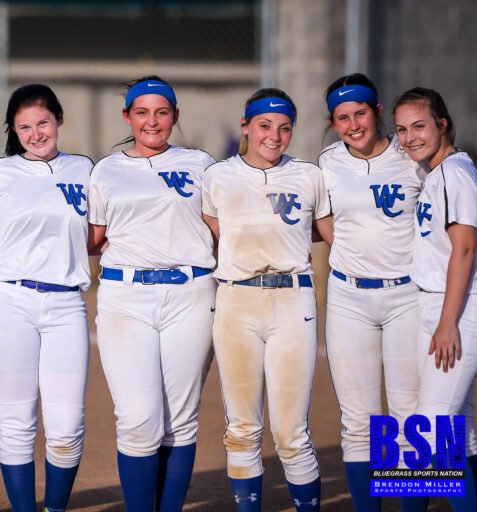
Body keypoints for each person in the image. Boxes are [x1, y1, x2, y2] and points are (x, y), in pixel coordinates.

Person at [88, 76, 217, 511]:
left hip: (192, 295)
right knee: (139, 418)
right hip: (127, 297)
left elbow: (224, 226)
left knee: (180, 422)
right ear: (127, 116)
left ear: (176, 117)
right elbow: (90, 236)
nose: (152, 121)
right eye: (141, 112)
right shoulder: (106, 170)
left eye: (162, 112)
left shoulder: (201, 163)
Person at [201, 88, 333, 512]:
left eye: (285, 127)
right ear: (246, 126)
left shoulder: (311, 174)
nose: (275, 136)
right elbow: (208, 234)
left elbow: (341, 234)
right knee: (242, 427)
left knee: (293, 432)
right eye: (264, 125)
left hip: (296, 301)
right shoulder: (217, 176)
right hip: (238, 301)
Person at [0, 84, 92, 512]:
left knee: (67, 427)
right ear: (14, 131)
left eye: (42, 122)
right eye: (24, 127)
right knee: (18, 422)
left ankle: (55, 507)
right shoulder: (0, 173)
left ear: (59, 119)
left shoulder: (84, 169)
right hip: (9, 302)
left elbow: (97, 235)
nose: (36, 133)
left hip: (66, 306)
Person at [317, 73, 425, 512]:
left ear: (378, 111)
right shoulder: (326, 163)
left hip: (410, 297)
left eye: (360, 113)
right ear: (333, 122)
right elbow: (314, 219)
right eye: (342, 117)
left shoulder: (414, 157)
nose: (353, 124)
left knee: (414, 418)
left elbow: (453, 211)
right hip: (348, 298)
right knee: (358, 423)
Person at [394, 87, 477, 512]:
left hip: (459, 311)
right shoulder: (435, 171)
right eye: (401, 129)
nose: (409, 137)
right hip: (439, 305)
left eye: (419, 126)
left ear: (442, 124)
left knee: (426, 429)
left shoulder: (454, 172)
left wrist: (447, 321)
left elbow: (465, 250)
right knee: (460, 432)